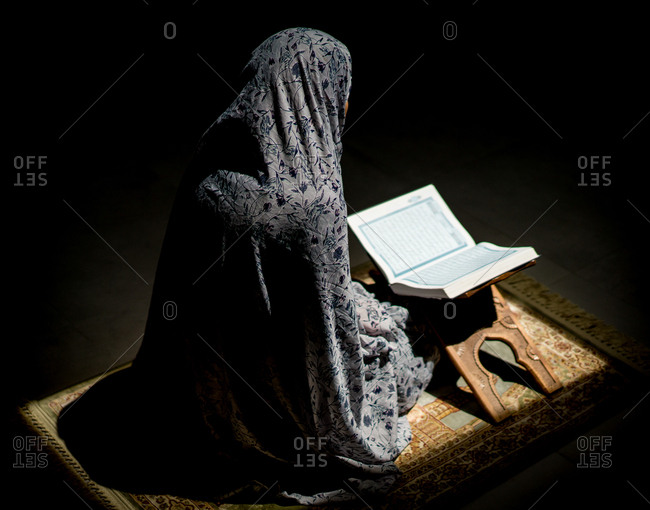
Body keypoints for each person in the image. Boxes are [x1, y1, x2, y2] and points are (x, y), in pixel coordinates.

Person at [60, 27, 435, 505]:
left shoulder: (214, 160)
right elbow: (326, 342)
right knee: (405, 342)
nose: (343, 107)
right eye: (342, 91)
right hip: (281, 389)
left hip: (194, 388)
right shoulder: (312, 199)